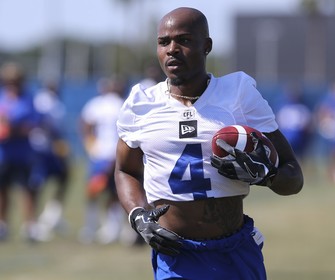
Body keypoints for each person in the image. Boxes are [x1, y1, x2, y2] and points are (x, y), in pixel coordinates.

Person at [115, 7, 303, 280]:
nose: (172, 49)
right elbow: (125, 170)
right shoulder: (142, 102)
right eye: (163, 42)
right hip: (176, 253)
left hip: (234, 251)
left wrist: (267, 175)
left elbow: (293, 176)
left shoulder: (238, 93)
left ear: (207, 45)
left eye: (184, 40)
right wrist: (138, 215)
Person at [78, 76, 130, 244]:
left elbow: (85, 125)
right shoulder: (123, 104)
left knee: (95, 192)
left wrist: (91, 146)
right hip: (114, 155)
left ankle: (94, 227)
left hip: (101, 155)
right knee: (114, 192)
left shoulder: (97, 103)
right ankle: (111, 227)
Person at [0, 62, 41, 241]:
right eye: (9, 80)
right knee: (2, 190)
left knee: (27, 190)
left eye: (15, 80)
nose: (12, 84)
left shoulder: (28, 100)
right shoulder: (2, 98)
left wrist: (12, 129)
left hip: (23, 153)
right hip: (3, 154)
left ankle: (29, 227)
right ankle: (3, 225)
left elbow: (32, 125)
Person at [30, 80, 71, 241]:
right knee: (37, 184)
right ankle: (35, 223)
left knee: (63, 178)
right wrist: (57, 142)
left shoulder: (54, 101)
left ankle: (51, 216)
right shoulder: (43, 100)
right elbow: (44, 124)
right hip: (42, 149)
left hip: (50, 148)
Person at [275, 83, 313, 162]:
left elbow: (306, 124)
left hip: (297, 135)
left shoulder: (301, 107)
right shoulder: (283, 107)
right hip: (288, 135)